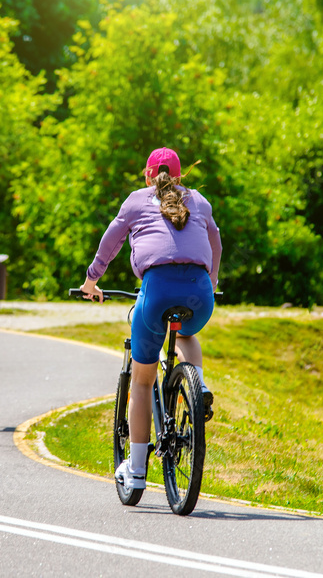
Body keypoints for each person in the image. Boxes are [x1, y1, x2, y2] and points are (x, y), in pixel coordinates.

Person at [80, 147, 222, 491]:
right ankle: (198, 385)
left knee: (142, 381)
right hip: (200, 293)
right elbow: (215, 241)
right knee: (186, 334)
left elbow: (110, 242)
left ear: (148, 175)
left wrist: (91, 280)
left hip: (156, 289)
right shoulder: (199, 201)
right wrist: (212, 281)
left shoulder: (136, 200)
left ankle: (138, 471)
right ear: (180, 176)